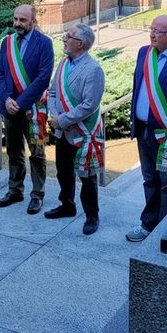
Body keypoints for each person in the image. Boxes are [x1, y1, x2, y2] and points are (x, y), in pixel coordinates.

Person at [125, 15, 167, 243]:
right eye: (151, 29)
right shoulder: (144, 53)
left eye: (158, 31)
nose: (152, 34)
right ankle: (148, 224)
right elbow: (137, 86)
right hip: (144, 130)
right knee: (149, 179)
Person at [45, 22, 106, 235]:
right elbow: (53, 92)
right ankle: (67, 205)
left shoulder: (93, 70)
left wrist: (61, 120)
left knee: (87, 176)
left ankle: (92, 215)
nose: (64, 39)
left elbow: (89, 105)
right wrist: (54, 114)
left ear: (80, 44)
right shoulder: (63, 63)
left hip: (83, 133)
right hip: (62, 131)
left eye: (69, 36)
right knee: (63, 171)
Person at [0, 4, 55, 214]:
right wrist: (6, 99)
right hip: (9, 108)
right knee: (14, 151)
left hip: (34, 109)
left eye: (22, 20)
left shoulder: (44, 43)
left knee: (37, 152)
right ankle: (15, 190)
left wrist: (20, 102)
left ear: (33, 21)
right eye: (15, 19)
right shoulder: (7, 42)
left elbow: (44, 78)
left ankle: (37, 194)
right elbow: (0, 73)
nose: (17, 23)